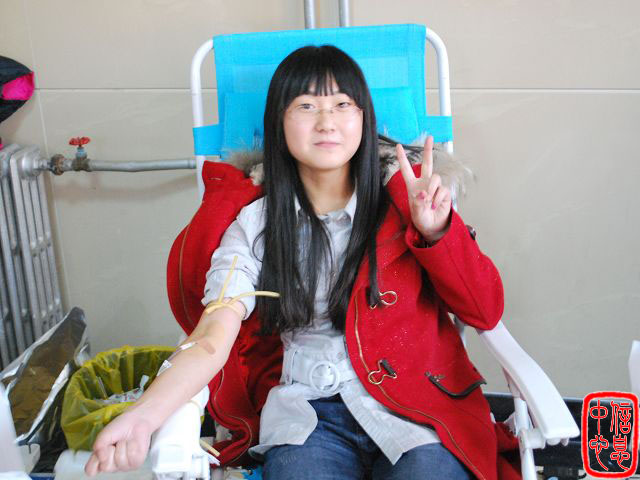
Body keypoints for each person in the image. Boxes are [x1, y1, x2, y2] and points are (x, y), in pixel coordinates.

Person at [86, 45, 515, 480]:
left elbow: (485, 311)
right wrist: (144, 415)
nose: (327, 121)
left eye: (342, 105)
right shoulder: (255, 226)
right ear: (280, 122)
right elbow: (212, 335)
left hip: (416, 407)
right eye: (307, 106)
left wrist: (437, 233)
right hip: (309, 418)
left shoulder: (408, 207)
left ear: (364, 119)